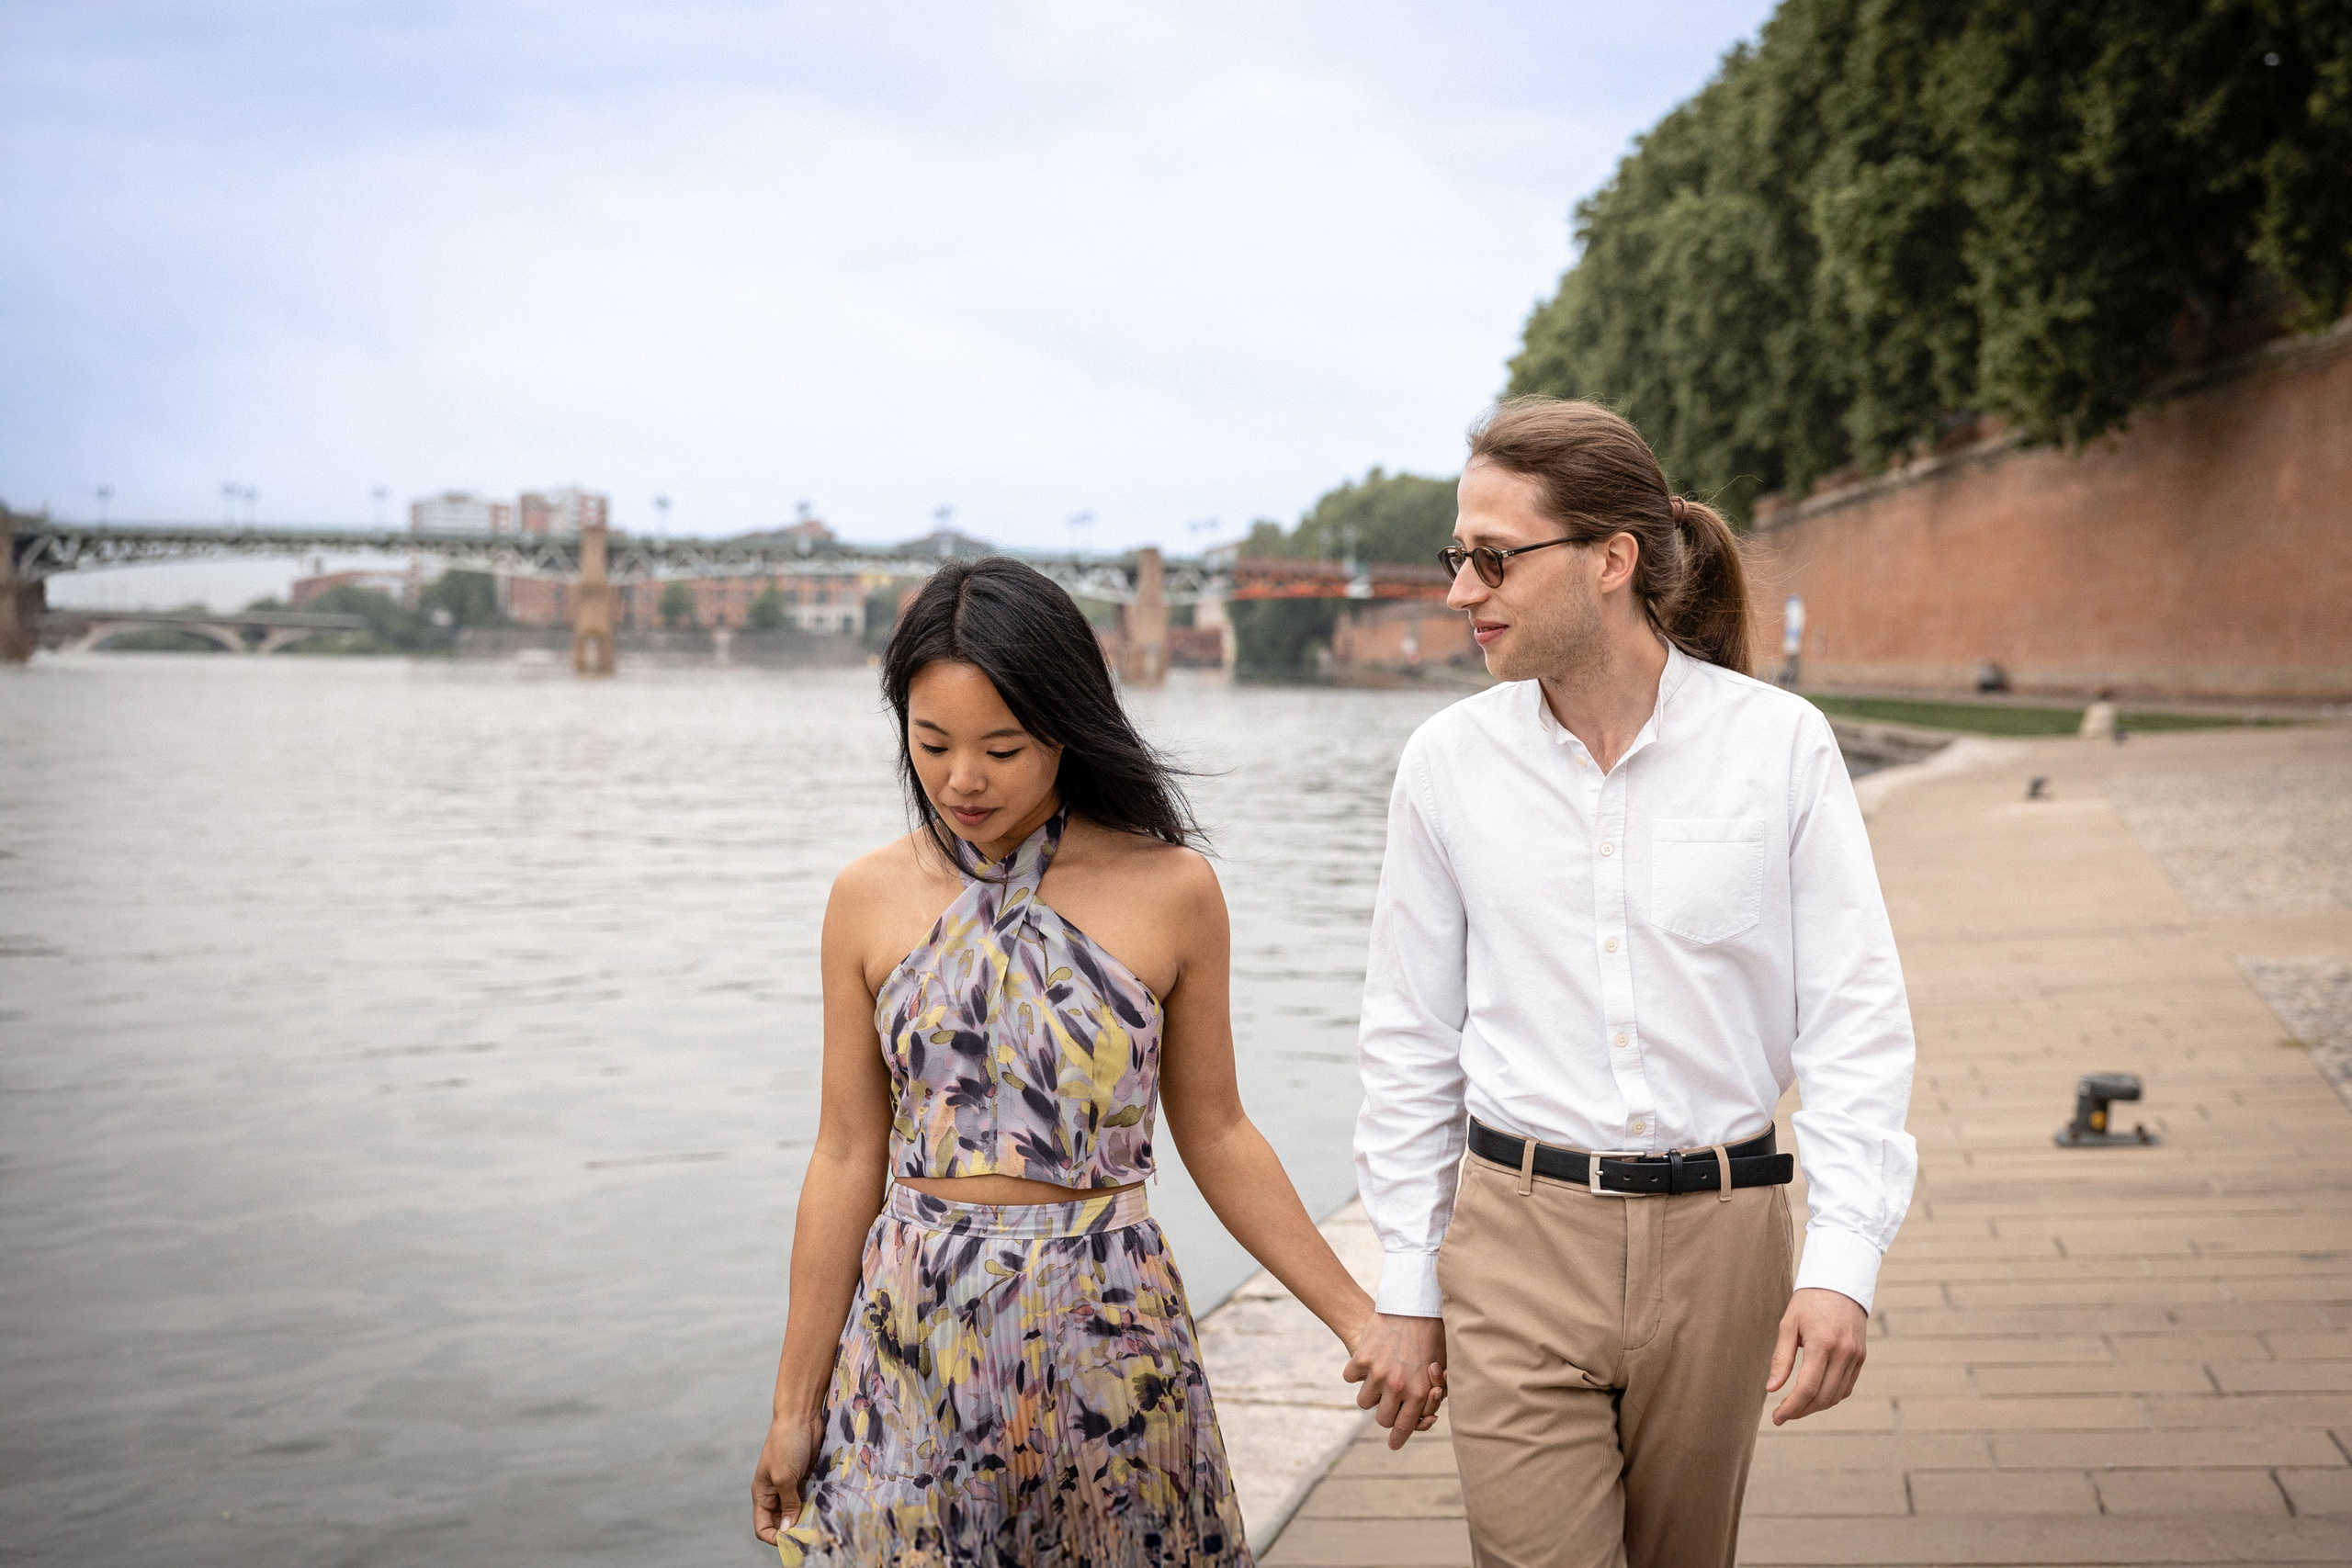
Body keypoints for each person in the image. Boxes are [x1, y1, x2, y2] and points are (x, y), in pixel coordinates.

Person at [1343, 398, 1918, 1567]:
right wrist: (1406, 1283)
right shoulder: (1446, 767)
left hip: (1728, 1246)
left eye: (1494, 559)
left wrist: (1842, 1266)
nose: (1462, 592)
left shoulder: (1780, 746)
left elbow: (1856, 1021)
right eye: (1459, 557)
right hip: (1515, 1241)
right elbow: (1408, 1037)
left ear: (1610, 561)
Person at [752, 558, 1403, 1564]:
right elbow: (844, 1154)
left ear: (1066, 726)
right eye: (932, 744)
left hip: (1109, 1334)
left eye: (1001, 749)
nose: (961, 779)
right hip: (915, 1342)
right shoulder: (865, 897)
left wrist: (1359, 1318)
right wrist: (795, 1406)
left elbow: (1219, 1132)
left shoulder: (1171, 888)